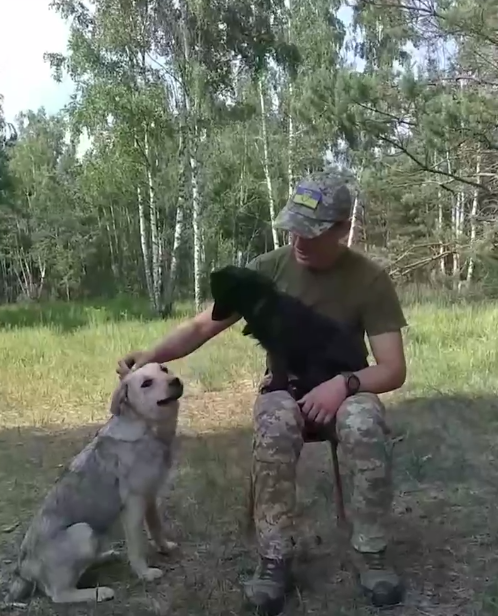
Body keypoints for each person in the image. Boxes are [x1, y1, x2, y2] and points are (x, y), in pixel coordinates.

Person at [117, 170, 408, 615]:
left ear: (342, 228)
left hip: (347, 385)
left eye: (311, 232)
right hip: (285, 386)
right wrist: (149, 357)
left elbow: (391, 369)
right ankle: (275, 558)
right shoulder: (271, 267)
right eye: (293, 227)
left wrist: (343, 385)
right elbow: (202, 325)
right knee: (274, 421)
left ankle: (372, 554)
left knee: (363, 421)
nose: (299, 240)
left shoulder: (368, 280)